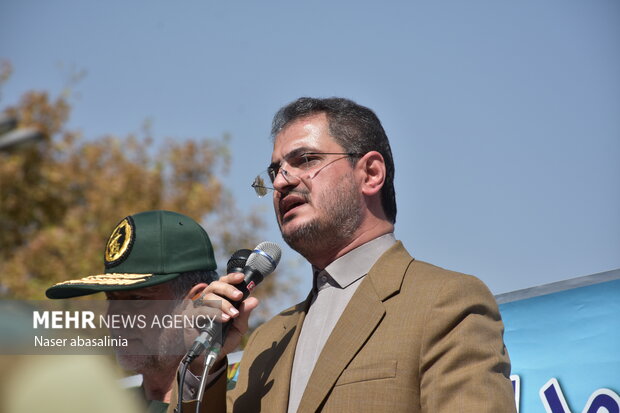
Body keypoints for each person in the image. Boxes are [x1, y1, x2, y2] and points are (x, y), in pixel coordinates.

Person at [197, 97, 517, 412]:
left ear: (371, 173)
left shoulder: (445, 301)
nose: (282, 181)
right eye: (275, 171)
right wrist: (203, 364)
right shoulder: (267, 341)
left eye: (306, 160)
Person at [45, 210, 254, 413]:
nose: (113, 317)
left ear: (196, 301)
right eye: (111, 298)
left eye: (136, 299)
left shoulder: (246, 398)